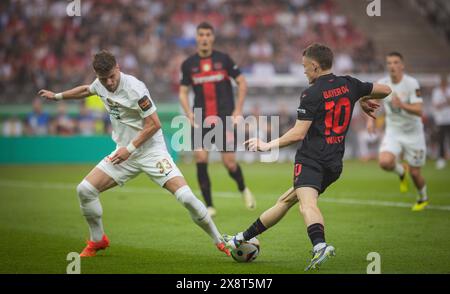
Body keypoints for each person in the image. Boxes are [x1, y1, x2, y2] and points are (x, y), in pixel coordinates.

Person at [38, 50, 230, 258]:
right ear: (97, 75)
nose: (109, 82)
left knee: (187, 198)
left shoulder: (135, 89)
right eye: (104, 79)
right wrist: (57, 96)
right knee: (85, 190)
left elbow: (154, 125)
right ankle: (97, 240)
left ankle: (220, 241)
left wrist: (128, 150)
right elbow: (87, 90)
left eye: (112, 76)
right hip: (124, 154)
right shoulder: (100, 84)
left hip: (151, 152)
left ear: (118, 68)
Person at [223, 43, 391, 270]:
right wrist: (361, 98)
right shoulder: (349, 84)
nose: (303, 71)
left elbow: (298, 133)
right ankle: (240, 238)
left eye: (304, 67)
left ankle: (320, 245)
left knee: (306, 205)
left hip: (311, 160)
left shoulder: (311, 93)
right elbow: (386, 90)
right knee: (285, 201)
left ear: (314, 66)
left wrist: (267, 145)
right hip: (334, 164)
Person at [179, 22, 255, 217]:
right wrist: (188, 112)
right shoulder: (189, 64)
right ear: (197, 38)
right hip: (201, 119)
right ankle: (210, 205)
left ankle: (243, 188)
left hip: (224, 118)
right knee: (201, 158)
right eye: (201, 34)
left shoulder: (224, 60)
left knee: (229, 163)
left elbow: (242, 82)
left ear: (212, 38)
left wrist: (238, 110)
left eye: (207, 34)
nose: (204, 38)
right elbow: (183, 91)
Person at [367, 52, 429, 211]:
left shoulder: (411, 83)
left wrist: (402, 105)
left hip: (413, 133)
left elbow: (419, 110)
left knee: (416, 174)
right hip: (393, 131)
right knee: (384, 162)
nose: (392, 66)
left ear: (402, 65)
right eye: (389, 63)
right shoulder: (383, 83)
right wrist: (370, 119)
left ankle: (423, 197)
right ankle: (402, 171)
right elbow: (373, 100)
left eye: (395, 62)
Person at [431, 74, 450, 169]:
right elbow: (435, 105)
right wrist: (446, 103)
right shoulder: (436, 92)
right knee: (441, 140)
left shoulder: (449, 91)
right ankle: (441, 159)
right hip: (440, 120)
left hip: (449, 119)